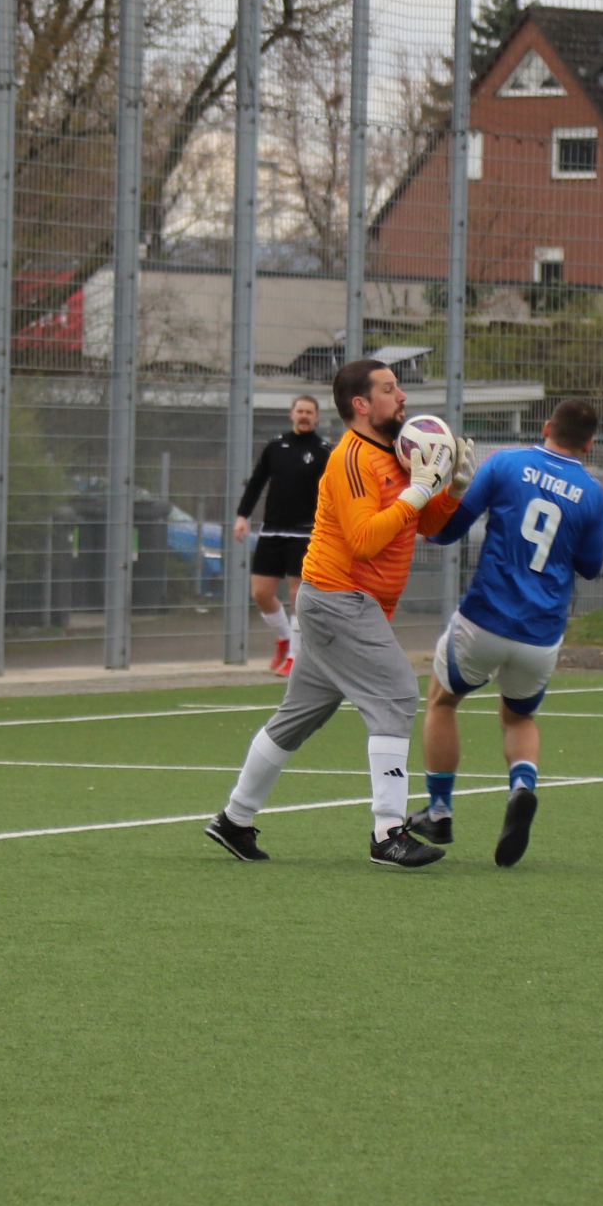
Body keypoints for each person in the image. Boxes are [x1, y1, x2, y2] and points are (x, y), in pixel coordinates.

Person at [202, 359, 478, 870]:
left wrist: (453, 490)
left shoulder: (393, 453)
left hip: (344, 604)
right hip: (339, 600)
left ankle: (233, 819)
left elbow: (426, 526)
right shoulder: (351, 457)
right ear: (361, 404)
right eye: (390, 389)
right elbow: (365, 539)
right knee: (398, 694)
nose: (402, 397)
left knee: (298, 716)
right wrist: (421, 489)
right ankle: (388, 833)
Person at [405, 398, 603, 868]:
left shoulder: (505, 463)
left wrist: (438, 496)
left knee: (442, 701)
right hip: (542, 632)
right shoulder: (592, 492)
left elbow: (446, 531)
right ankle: (521, 787)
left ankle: (439, 811)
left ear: (546, 426)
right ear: (590, 444)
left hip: (485, 617)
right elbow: (592, 566)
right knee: (519, 718)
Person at [234, 395, 332, 676]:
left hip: (306, 533)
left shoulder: (325, 451)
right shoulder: (275, 446)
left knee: (296, 594)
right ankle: (286, 637)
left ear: (316, 417)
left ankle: (295, 656)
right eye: (300, 411)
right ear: (292, 414)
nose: (304, 416)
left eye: (309, 412)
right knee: (261, 593)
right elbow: (257, 482)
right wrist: (242, 516)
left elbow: (334, 492)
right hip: (273, 530)